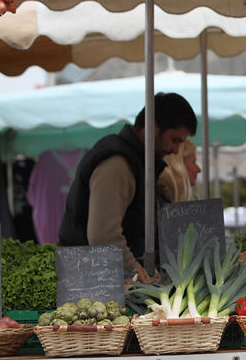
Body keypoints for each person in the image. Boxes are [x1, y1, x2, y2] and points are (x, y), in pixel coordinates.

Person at [59, 92, 197, 283]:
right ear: (153, 128)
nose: (175, 151)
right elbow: (104, 237)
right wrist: (138, 273)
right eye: (174, 140)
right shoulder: (118, 164)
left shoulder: (138, 162)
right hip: (90, 283)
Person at [158, 139, 200, 203]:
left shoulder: (166, 201)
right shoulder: (160, 202)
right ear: (178, 165)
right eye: (193, 162)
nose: (199, 169)